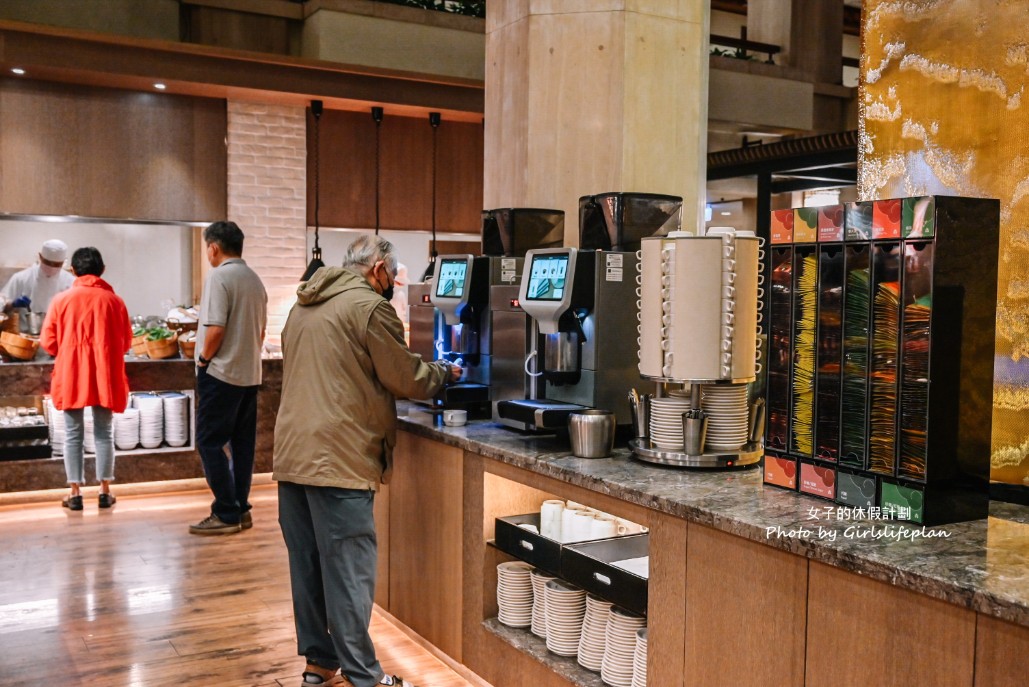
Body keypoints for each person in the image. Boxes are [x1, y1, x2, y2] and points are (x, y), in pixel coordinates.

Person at [273, 235, 460, 687]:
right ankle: (364, 677)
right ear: (379, 269)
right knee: (350, 570)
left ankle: (319, 664)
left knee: (309, 566)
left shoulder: (303, 305)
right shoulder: (371, 309)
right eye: (393, 278)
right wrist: (444, 372)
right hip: (339, 455)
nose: (393, 286)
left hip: (293, 453)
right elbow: (405, 376)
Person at [39, 247, 132, 511]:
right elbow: (126, 342)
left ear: (72, 271)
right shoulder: (115, 302)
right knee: (104, 432)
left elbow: (48, 343)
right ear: (102, 270)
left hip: (72, 373)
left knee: (72, 435)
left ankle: (75, 494)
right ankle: (104, 491)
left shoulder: (61, 300)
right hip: (105, 373)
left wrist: (70, 350)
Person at [190, 221, 268, 536]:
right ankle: (241, 509)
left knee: (208, 442)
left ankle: (225, 511)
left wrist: (204, 359)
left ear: (214, 247)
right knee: (242, 445)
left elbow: (216, 329)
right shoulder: (254, 280)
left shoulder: (219, 277)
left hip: (221, 373)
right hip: (249, 374)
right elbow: (261, 333)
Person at [1, 239, 75, 316]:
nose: (51, 267)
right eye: (48, 263)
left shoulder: (71, 282)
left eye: (57, 265)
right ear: (40, 256)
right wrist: (12, 304)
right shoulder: (22, 278)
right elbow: (2, 304)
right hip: (28, 327)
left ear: (63, 262)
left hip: (58, 327)